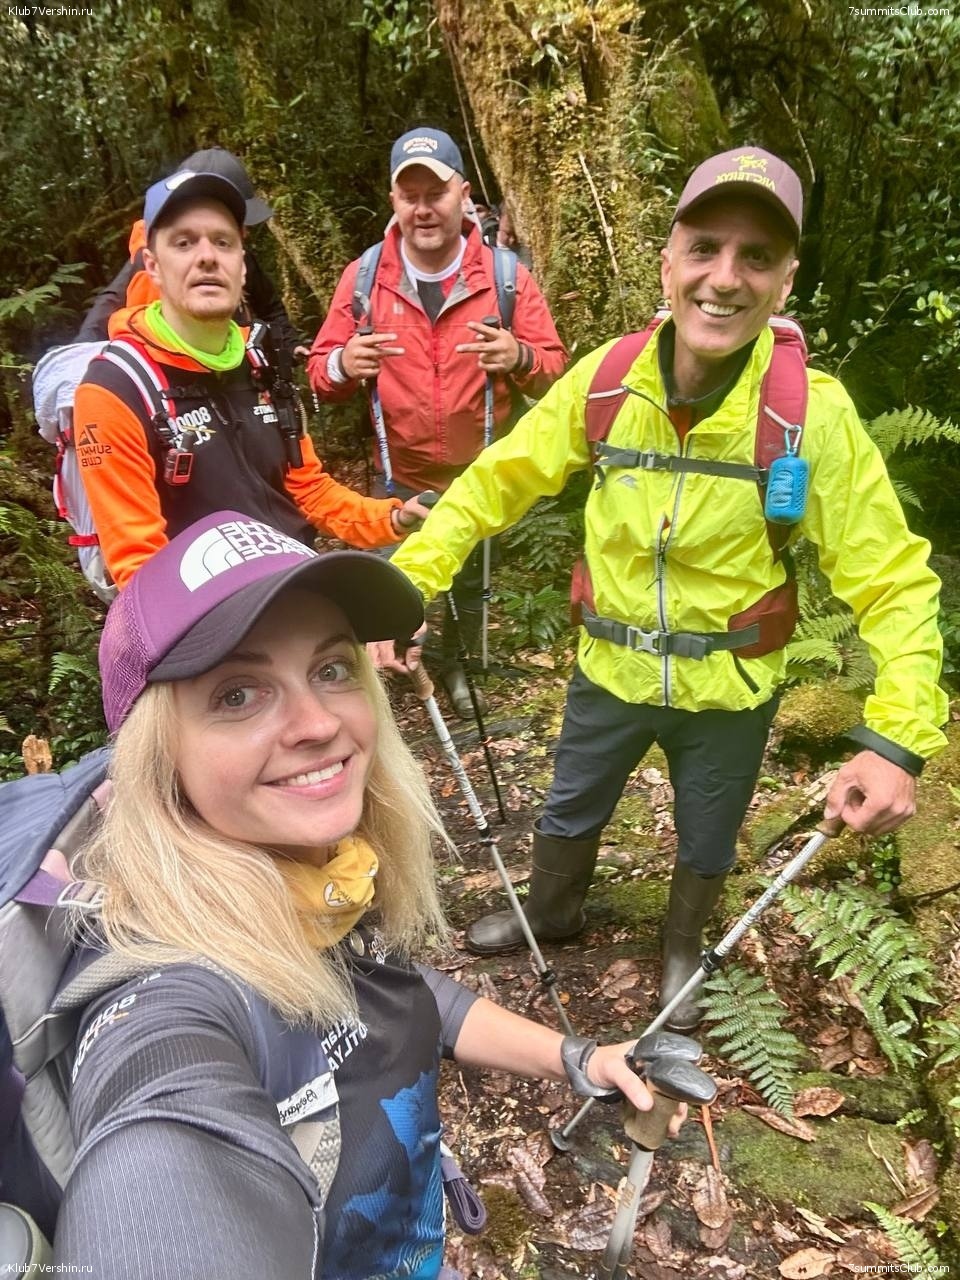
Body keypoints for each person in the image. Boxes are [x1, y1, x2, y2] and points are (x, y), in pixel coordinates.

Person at [384, 146, 949, 1030]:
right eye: (705, 249)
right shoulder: (609, 380)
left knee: (709, 830)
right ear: (668, 262)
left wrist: (898, 738)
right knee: (572, 801)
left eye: (755, 257)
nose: (724, 278)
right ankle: (553, 909)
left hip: (730, 687)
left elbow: (893, 580)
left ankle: (683, 945)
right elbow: (495, 482)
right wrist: (407, 584)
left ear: (785, 281)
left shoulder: (810, 414)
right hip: (609, 670)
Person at [51, 509, 676, 1278]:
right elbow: (160, 1147)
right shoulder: (165, 998)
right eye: (238, 694)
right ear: (157, 754)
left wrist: (576, 1057)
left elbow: (393, 988)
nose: (318, 723)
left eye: (332, 668)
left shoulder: (320, 873)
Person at [308, 127, 568, 715]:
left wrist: (518, 357)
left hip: (480, 473)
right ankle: (386, 679)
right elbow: (321, 374)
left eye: (436, 193)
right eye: (410, 196)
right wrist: (345, 363)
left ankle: (460, 668)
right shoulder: (365, 279)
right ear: (393, 201)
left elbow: (555, 373)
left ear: (464, 195)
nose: (423, 209)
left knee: (470, 583)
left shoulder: (504, 278)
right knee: (392, 583)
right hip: (397, 476)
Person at [73, 167, 430, 589]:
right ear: (152, 265)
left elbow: (308, 489)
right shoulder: (115, 390)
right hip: (206, 613)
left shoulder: (263, 364)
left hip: (296, 585)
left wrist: (392, 517)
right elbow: (140, 568)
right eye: (184, 242)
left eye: (223, 242)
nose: (207, 256)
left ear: (242, 265)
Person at [76, 146, 306, 360]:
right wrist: (80, 355)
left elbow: (270, 307)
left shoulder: (240, 259)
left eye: (223, 236)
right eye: (185, 242)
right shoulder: (152, 261)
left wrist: (290, 344)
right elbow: (108, 305)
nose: (208, 256)